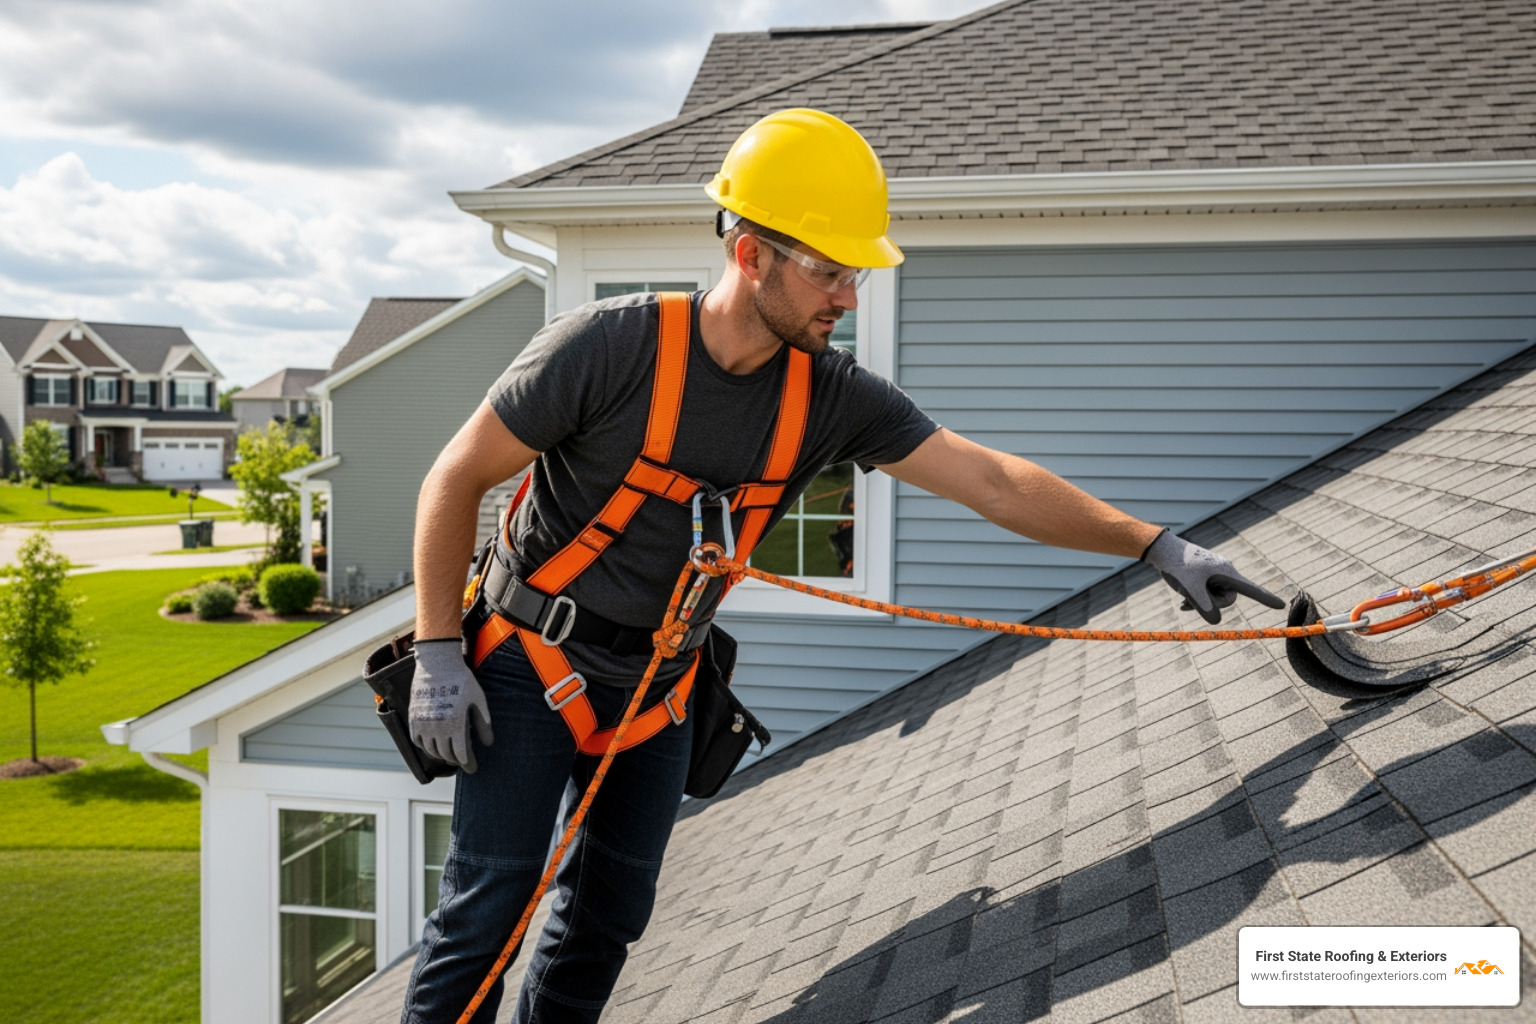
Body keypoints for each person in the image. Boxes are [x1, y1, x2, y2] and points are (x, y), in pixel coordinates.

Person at [399, 108, 1283, 1023]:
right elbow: (453, 478)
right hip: (527, 660)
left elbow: (991, 481)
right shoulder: (607, 350)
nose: (847, 297)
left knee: (606, 919)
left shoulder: (828, 395)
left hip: (658, 685)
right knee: (488, 914)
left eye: (853, 273)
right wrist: (437, 651)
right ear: (751, 255)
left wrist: (1153, 542)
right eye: (827, 271)